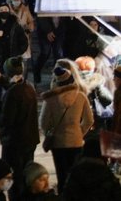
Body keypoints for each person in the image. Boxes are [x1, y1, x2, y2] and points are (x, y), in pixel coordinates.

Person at [39, 59, 93, 187]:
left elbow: (43, 123)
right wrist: (80, 132)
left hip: (58, 143)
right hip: (76, 141)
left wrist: (49, 132)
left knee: (62, 175)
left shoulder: (51, 100)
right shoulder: (81, 96)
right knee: (75, 176)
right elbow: (89, 120)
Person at [0, 56, 39, 199]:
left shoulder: (13, 93)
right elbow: (14, 89)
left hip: (14, 142)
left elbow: (6, 120)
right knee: (25, 174)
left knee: (15, 178)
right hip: (29, 139)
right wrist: (1, 79)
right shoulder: (28, 87)